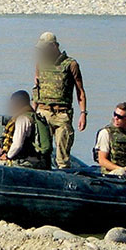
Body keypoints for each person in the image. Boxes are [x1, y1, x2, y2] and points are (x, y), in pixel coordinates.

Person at [33, 31, 87, 169]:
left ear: (54, 46)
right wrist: (33, 112)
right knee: (42, 151)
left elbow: (79, 90)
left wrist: (83, 113)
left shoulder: (70, 64)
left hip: (62, 114)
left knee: (62, 156)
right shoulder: (41, 63)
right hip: (43, 112)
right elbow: (37, 88)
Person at [0, 90, 51, 169]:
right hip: (42, 161)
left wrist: (7, 156)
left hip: (28, 162)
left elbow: (17, 145)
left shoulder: (22, 119)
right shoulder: (35, 117)